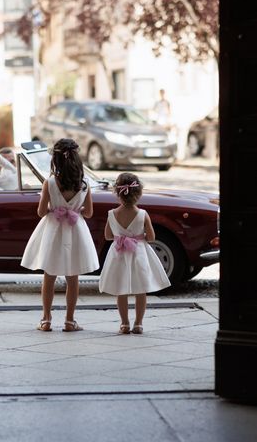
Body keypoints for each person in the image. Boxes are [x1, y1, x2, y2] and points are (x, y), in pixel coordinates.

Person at [21, 138, 99, 332]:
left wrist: (53, 207)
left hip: (53, 230)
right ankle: (69, 320)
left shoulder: (50, 182)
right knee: (73, 278)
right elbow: (88, 213)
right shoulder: (84, 183)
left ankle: (46, 319)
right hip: (75, 231)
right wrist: (75, 209)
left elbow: (40, 212)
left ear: (55, 159)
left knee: (49, 276)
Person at [98, 172, 170, 334]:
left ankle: (124, 324)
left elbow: (108, 236)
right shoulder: (143, 214)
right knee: (140, 290)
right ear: (139, 194)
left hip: (118, 255)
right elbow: (151, 237)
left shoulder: (112, 214)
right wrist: (139, 237)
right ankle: (138, 324)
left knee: (121, 290)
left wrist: (121, 236)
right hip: (139, 254)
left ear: (117, 193)